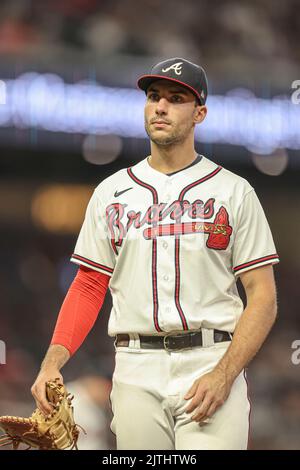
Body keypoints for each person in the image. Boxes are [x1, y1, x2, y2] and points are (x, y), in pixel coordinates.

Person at [31, 58, 280, 450]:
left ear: (200, 113)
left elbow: (262, 297)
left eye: (176, 98)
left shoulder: (234, 192)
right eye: (153, 96)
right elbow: (89, 284)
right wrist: (51, 364)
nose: (160, 106)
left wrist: (226, 373)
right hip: (135, 367)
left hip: (211, 358)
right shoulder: (110, 192)